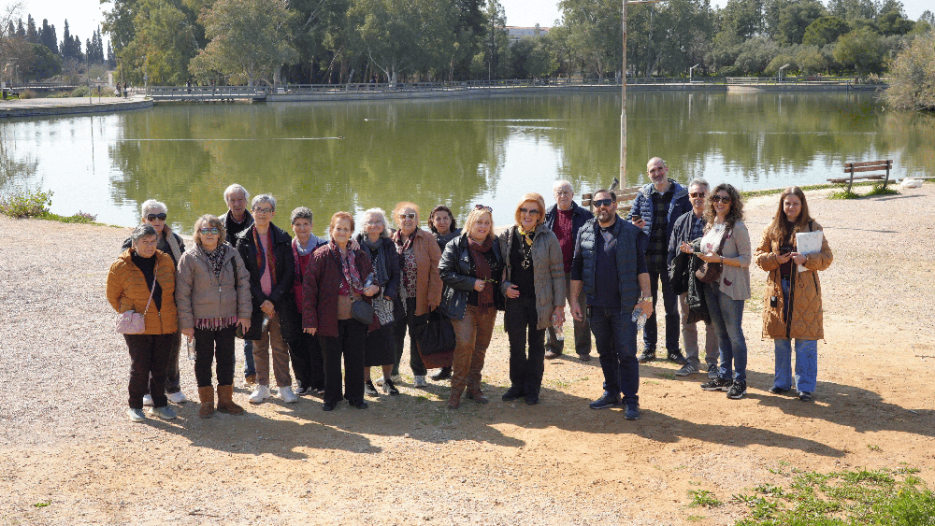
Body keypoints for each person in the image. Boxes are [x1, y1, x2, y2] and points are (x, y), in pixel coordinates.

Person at [570, 189, 652, 420]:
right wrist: (574, 300)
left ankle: (631, 399)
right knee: (605, 351)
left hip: (624, 306)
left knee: (626, 352)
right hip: (596, 305)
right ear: (593, 207)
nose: (602, 207)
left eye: (606, 202)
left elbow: (641, 267)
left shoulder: (630, 232)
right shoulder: (585, 231)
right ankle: (611, 392)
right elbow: (577, 268)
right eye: (597, 203)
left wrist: (647, 299)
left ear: (615, 205)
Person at [754, 187, 833, 402]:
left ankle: (805, 387)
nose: (791, 207)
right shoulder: (772, 228)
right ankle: (781, 383)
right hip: (779, 290)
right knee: (781, 338)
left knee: (806, 340)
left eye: (795, 203)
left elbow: (827, 258)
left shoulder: (813, 227)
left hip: (805, 292)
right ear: (782, 205)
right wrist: (775, 259)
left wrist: (806, 260)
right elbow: (759, 257)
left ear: (802, 204)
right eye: (787, 203)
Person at [175, 215, 252, 418]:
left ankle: (225, 401)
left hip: (228, 317)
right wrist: (186, 323)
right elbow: (182, 293)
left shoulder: (231, 253)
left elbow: (243, 283)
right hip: (201, 320)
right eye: (204, 230)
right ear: (198, 234)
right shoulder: (189, 257)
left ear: (220, 232)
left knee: (227, 359)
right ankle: (207, 402)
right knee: (203, 360)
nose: (209, 234)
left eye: (213, 230)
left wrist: (244, 314)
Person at [303, 212, 381, 411]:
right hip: (330, 316)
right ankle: (331, 398)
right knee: (330, 360)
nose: (342, 232)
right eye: (338, 228)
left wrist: (374, 288)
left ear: (351, 232)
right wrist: (310, 320)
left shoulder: (360, 254)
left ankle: (355, 397)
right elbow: (309, 289)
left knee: (355, 358)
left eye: (346, 229)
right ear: (331, 230)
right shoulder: (320, 255)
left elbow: (372, 277)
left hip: (355, 315)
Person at [684, 184, 752, 400]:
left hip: (731, 287)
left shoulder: (738, 227)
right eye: (716, 199)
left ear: (732, 203)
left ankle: (740, 380)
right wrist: (693, 249)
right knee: (720, 333)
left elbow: (746, 260)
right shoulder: (711, 225)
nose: (720, 202)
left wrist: (720, 260)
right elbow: (708, 250)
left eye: (725, 199)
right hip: (711, 285)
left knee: (734, 334)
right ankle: (724, 376)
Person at [498, 193, 566, 406]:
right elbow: (499, 269)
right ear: (518, 212)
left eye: (533, 211)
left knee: (536, 345)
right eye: (524, 210)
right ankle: (517, 385)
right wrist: (504, 286)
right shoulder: (507, 236)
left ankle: (532, 389)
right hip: (515, 301)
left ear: (540, 215)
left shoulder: (549, 238)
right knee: (515, 345)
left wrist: (559, 306)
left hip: (541, 301)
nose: (527, 215)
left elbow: (557, 272)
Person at [107, 225, 180, 422]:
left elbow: (174, 290)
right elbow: (113, 297)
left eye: (153, 241)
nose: (149, 246)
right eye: (144, 242)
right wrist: (129, 311)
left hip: (165, 323)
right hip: (137, 325)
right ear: (135, 243)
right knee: (139, 366)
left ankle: (160, 405)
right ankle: (135, 405)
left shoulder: (165, 261)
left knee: (160, 367)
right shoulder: (120, 266)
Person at [234, 194, 300, 404]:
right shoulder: (242, 239)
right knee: (258, 347)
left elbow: (289, 272)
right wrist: (262, 300)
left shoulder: (282, 237)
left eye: (266, 209)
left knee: (280, 346)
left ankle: (284, 387)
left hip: (279, 304)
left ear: (273, 213)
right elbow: (243, 275)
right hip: (256, 305)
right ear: (252, 212)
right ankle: (262, 387)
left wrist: (273, 300)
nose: (262, 213)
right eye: (258, 209)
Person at [121, 199, 187, 406]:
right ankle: (147, 391)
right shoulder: (130, 241)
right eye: (152, 217)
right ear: (143, 219)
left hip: (169, 303)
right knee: (145, 350)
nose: (157, 220)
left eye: (161, 216)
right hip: (143, 305)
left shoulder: (175, 240)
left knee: (171, 347)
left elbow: (184, 269)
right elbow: (122, 275)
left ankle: (172, 386)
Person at [439, 205, 504, 409]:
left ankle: (474, 387)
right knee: (465, 345)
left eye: (487, 222)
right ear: (470, 223)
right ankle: (456, 390)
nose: (483, 226)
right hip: (463, 304)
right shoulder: (456, 244)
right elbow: (444, 271)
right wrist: (470, 283)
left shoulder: (496, 245)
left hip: (488, 305)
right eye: (479, 222)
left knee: (481, 346)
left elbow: (503, 270)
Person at [627, 158, 691, 365]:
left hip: (672, 261)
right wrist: (634, 225)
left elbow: (692, 220)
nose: (657, 173)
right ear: (648, 174)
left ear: (667, 169)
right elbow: (630, 220)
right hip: (647, 260)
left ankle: (673, 349)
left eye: (660, 169)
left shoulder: (682, 195)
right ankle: (649, 348)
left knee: (672, 307)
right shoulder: (643, 195)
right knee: (648, 304)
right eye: (652, 171)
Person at [667, 178, 718, 378]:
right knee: (687, 321)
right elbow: (671, 252)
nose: (698, 198)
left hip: (711, 279)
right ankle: (691, 361)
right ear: (689, 197)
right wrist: (674, 275)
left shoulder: (716, 222)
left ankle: (713, 363)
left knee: (711, 321)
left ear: (709, 195)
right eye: (694, 194)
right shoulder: (681, 221)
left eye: (702, 194)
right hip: (687, 280)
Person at [388, 202, 443, 388]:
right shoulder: (389, 240)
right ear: (397, 219)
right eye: (403, 216)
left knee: (417, 336)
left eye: (411, 215)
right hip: (395, 300)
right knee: (394, 336)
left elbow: (437, 269)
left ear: (417, 219)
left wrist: (434, 296)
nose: (407, 219)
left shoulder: (427, 238)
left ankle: (419, 373)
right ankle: (393, 373)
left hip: (419, 298)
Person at [543, 180, 594, 361]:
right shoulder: (546, 215)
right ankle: (554, 347)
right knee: (553, 311)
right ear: (554, 195)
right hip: (553, 272)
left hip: (577, 272)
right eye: (559, 192)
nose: (562, 195)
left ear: (573, 195)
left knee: (579, 310)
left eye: (566, 192)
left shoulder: (585, 215)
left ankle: (583, 348)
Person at [356, 208, 402, 397]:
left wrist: (389, 293)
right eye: (370, 221)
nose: (374, 225)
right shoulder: (355, 244)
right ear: (364, 226)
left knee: (387, 341)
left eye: (378, 221)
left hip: (384, 300)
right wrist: (363, 292)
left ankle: (388, 380)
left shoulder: (389, 245)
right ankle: (366, 382)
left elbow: (395, 273)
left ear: (383, 225)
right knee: (364, 341)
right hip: (363, 299)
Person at [287, 207, 328, 396]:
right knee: (296, 343)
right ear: (292, 226)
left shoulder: (323, 245)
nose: (302, 228)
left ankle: (320, 381)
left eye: (305, 224)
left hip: (317, 302)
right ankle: (302, 381)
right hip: (294, 302)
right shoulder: (288, 247)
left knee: (317, 343)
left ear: (312, 225)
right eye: (298, 224)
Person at [220, 184, 257, 385]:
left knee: (249, 330)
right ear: (227, 202)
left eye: (240, 199)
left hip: (250, 285)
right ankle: (227, 379)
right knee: (225, 335)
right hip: (224, 287)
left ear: (246, 201)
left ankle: (251, 373)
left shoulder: (257, 223)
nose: (237, 203)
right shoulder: (217, 224)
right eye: (232, 200)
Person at [427, 205, 461, 381]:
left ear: (451, 219)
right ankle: (446, 368)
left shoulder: (462, 235)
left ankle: (464, 369)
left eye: (445, 218)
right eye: (437, 218)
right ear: (432, 221)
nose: (442, 222)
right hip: (439, 290)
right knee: (443, 330)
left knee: (461, 331)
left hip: (460, 289)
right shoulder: (428, 239)